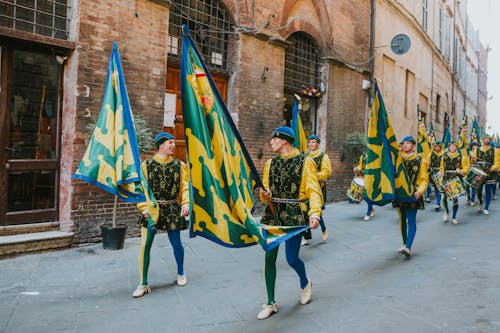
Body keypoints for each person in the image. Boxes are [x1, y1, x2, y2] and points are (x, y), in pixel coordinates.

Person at [257, 126, 322, 320]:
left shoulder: (305, 161)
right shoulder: (270, 163)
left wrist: (315, 213)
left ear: (284, 140)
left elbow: (313, 190)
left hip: (294, 215)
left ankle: (305, 282)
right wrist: (265, 194)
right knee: (269, 257)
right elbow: (264, 196)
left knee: (292, 259)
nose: (271, 142)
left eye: (273, 139)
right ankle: (270, 302)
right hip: (273, 214)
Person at [132, 132, 190, 298]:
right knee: (145, 246)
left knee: (176, 243)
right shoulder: (146, 165)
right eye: (170, 142)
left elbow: (185, 186)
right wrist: (143, 208)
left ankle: (181, 273)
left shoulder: (180, 165)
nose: (173, 145)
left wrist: (186, 203)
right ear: (160, 145)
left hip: (172, 207)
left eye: (173, 142)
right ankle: (143, 284)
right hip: (151, 209)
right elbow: (140, 188)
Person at [393, 136, 428, 259]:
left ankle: (408, 246)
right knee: (402, 219)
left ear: (413, 145)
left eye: (408, 143)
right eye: (404, 143)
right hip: (400, 193)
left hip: (413, 193)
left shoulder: (421, 160)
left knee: (411, 219)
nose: (405, 145)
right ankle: (404, 243)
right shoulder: (398, 159)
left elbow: (424, 179)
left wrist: (420, 191)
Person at [300, 134, 331, 245]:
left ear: (318, 143)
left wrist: (312, 175)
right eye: (310, 142)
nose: (311, 144)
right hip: (305, 188)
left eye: (313, 142)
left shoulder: (323, 156)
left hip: (318, 188)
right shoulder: (305, 156)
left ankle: (323, 227)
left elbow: (326, 174)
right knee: (305, 212)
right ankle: (307, 237)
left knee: (316, 210)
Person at [439, 141, 470, 224]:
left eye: (454, 146)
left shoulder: (462, 157)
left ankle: (454, 217)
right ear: (449, 147)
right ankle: (446, 212)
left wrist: (461, 170)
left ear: (456, 147)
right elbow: (442, 167)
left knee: (455, 199)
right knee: (443, 197)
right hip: (445, 178)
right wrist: (441, 172)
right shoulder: (444, 156)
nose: (452, 147)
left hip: (455, 179)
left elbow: (466, 169)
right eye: (450, 146)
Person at [472, 135, 500, 215]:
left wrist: (494, 167)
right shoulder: (477, 150)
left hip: (490, 172)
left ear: (490, 140)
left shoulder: (495, 150)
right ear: (483, 140)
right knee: (478, 190)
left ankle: (486, 208)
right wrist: (473, 160)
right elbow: (473, 161)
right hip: (480, 172)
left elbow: (497, 162)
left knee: (488, 191)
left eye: (488, 139)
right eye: (485, 139)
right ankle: (480, 202)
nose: (486, 140)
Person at [353, 153, 375, 221]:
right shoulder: (362, 156)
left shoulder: (373, 154)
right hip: (364, 177)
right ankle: (371, 208)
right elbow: (360, 166)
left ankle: (368, 213)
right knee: (365, 196)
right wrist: (357, 168)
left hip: (372, 177)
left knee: (368, 195)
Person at [425, 142, 444, 210]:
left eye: (439, 146)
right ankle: (427, 196)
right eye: (436, 146)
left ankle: (438, 203)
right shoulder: (431, 154)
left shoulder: (443, 154)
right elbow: (427, 162)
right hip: (432, 172)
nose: (437, 148)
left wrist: (441, 171)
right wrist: (427, 166)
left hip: (439, 172)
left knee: (438, 188)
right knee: (428, 185)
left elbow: (444, 164)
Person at [468, 142, 480, 206]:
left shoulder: (479, 152)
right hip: (469, 170)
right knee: (467, 185)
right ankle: (468, 198)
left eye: (476, 146)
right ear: (472, 146)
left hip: (477, 170)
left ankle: (472, 200)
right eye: (474, 146)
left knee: (474, 185)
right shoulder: (468, 152)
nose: (475, 147)